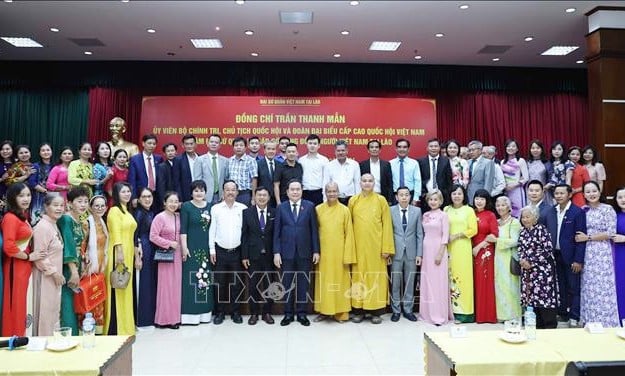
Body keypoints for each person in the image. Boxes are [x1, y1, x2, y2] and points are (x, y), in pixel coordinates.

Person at [273, 179, 320, 326]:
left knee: (302, 284)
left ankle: (301, 314)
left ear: (302, 191)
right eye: (292, 189)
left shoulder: (310, 206)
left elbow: (314, 231)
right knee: (286, 284)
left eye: (297, 189)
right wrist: (276, 252)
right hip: (286, 253)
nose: (295, 192)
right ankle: (288, 314)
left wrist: (316, 251)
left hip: (305, 253)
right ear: (287, 192)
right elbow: (277, 232)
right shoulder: (281, 208)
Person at [348, 173, 394, 324]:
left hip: (376, 247)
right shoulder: (353, 200)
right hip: (358, 247)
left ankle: (375, 311)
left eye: (370, 181)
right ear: (360, 183)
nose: (367, 183)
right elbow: (348, 226)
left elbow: (387, 224)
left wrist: (386, 248)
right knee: (358, 277)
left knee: (376, 277)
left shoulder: (381, 201)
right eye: (364, 181)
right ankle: (359, 310)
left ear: (374, 183)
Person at [575, 181, 619, 327]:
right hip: (587, 253)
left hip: (603, 252)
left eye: (594, 191)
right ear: (584, 194)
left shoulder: (607, 209)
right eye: (588, 192)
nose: (591, 194)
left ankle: (607, 321)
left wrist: (588, 237)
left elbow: (611, 233)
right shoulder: (583, 210)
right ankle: (590, 320)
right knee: (589, 287)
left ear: (600, 192)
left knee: (604, 287)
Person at [313, 182, 356, 323]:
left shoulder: (344, 210)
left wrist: (348, 255)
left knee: (340, 283)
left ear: (338, 192)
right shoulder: (318, 209)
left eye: (334, 191)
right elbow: (314, 232)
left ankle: (341, 312)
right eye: (329, 191)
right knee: (323, 282)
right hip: (324, 254)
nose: (332, 194)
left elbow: (349, 233)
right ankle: (323, 311)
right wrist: (316, 251)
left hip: (340, 253)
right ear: (325, 193)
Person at [545, 184, 587, 327]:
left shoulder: (577, 212)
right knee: (560, 286)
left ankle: (574, 316)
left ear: (569, 195)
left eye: (562, 193)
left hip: (571, 257)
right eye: (556, 193)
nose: (558, 196)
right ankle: (562, 313)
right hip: (555, 255)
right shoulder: (551, 211)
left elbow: (581, 239)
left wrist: (578, 260)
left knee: (573, 287)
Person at [208, 181, 246, 325]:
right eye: (227, 190)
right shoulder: (216, 209)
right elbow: (212, 230)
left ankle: (236, 312)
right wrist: (212, 249)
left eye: (233, 190)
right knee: (220, 283)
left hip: (237, 252)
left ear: (237, 192)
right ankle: (220, 312)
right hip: (220, 251)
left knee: (236, 283)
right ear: (223, 192)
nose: (230, 192)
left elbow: (245, 233)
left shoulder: (243, 208)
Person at [104, 182, 137, 335]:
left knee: (125, 287)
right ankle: (115, 328)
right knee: (118, 287)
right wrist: (119, 252)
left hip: (128, 253)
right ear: (117, 194)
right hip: (118, 254)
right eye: (123, 192)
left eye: (128, 191)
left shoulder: (127, 211)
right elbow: (115, 233)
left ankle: (126, 326)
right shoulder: (114, 210)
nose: (127, 194)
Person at [1, 183, 34, 336]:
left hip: (24, 266)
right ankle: (14, 337)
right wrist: (28, 256)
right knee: (16, 303)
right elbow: (9, 247)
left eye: (28, 195)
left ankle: (23, 335)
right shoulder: (10, 218)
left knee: (24, 303)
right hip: (16, 266)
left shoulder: (23, 216)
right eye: (21, 196)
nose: (26, 199)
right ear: (13, 198)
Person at [518, 205, 559, 329]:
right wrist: (522, 261)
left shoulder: (541, 229)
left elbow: (547, 249)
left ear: (535, 217)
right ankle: (536, 327)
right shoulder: (522, 232)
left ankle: (549, 326)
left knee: (545, 299)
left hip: (543, 272)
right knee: (531, 300)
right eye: (523, 217)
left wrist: (531, 261)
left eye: (527, 216)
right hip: (527, 272)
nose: (525, 219)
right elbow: (519, 248)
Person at [241, 186, 277, 325]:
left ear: (268, 197)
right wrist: (244, 256)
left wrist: (276, 253)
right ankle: (254, 313)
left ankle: (267, 312)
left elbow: (276, 235)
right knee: (253, 286)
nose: (262, 197)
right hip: (253, 255)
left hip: (269, 255)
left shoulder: (274, 212)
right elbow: (244, 235)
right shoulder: (247, 213)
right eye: (259, 195)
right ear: (254, 197)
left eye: (264, 195)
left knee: (270, 285)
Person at [180, 180, 214, 325]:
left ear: (205, 192)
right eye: (196, 190)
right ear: (191, 192)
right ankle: (190, 315)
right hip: (191, 248)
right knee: (191, 279)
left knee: (205, 279)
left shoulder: (210, 206)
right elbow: (183, 229)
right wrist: (184, 247)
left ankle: (204, 314)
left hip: (205, 248)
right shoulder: (187, 207)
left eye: (201, 190)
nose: (199, 193)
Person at [31, 194, 65, 336]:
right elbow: (39, 256)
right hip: (46, 277)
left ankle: (52, 342)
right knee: (45, 312)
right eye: (55, 205)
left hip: (53, 277)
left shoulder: (52, 225)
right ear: (46, 206)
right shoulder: (43, 227)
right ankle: (44, 342)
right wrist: (54, 273)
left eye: (61, 205)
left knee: (52, 311)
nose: (59, 208)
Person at [57, 186, 90, 335]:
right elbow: (68, 247)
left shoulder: (78, 220)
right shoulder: (66, 219)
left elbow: (79, 245)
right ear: (69, 203)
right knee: (68, 303)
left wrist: (84, 257)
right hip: (68, 267)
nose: (83, 205)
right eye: (79, 201)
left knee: (76, 302)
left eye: (85, 201)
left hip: (77, 265)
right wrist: (73, 272)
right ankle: (69, 336)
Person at [445, 184, 478, 323]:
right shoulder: (446, 209)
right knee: (450, 277)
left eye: (459, 193)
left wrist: (456, 235)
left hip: (463, 248)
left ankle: (465, 313)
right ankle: (452, 311)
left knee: (464, 278)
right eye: (454, 194)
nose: (456, 196)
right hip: (449, 248)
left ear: (464, 195)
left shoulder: (469, 210)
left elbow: (473, 230)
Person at [418, 190, 452, 325]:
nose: (433, 202)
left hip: (438, 249)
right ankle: (426, 313)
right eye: (431, 199)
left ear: (441, 201)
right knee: (427, 282)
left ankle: (439, 315)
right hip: (426, 249)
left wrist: (440, 252)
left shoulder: (443, 215)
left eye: (436, 199)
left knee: (438, 282)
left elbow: (445, 235)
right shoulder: (425, 215)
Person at [389, 186, 423, 322]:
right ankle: (396, 310)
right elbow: (388, 233)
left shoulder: (417, 211)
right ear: (396, 197)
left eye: (406, 195)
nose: (404, 197)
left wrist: (419, 254)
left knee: (409, 282)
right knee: (395, 283)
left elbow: (419, 234)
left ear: (410, 197)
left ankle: (408, 309)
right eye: (401, 195)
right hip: (395, 253)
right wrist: (388, 252)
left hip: (411, 253)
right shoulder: (390, 211)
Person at [150, 191, 182, 329]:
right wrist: (168, 243)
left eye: (176, 201)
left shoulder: (178, 216)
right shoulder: (160, 217)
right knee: (166, 287)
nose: (173, 204)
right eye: (171, 201)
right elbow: (153, 236)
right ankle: (164, 319)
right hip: (166, 255)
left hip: (178, 255)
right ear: (164, 202)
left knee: (176, 287)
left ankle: (175, 318)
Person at [493, 196, 522, 322]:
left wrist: (497, 240)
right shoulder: (496, 222)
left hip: (509, 257)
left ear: (509, 207)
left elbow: (515, 241)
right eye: (498, 205)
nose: (500, 207)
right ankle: (501, 315)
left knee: (510, 286)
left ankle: (513, 315)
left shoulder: (514, 222)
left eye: (503, 205)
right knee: (499, 286)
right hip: (498, 257)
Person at [471, 189, 498, 323]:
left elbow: (494, 235)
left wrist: (478, 247)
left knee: (484, 282)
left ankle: (486, 315)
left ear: (487, 201)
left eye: (482, 198)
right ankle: (474, 313)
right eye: (477, 198)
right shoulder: (470, 213)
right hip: (470, 250)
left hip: (485, 252)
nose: (479, 201)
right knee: (473, 282)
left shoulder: (490, 215)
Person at [133, 187, 157, 329]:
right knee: (143, 285)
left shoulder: (151, 213)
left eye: (149, 196)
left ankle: (151, 317)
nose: (147, 199)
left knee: (150, 284)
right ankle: (142, 320)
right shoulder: (139, 214)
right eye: (144, 197)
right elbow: (134, 236)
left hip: (152, 250)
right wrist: (137, 256)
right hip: (143, 251)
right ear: (139, 199)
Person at [85, 195, 108, 334]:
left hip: (101, 265)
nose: (99, 208)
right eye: (96, 206)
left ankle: (99, 332)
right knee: (90, 299)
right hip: (90, 266)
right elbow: (82, 246)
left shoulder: (102, 223)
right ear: (90, 208)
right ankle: (87, 331)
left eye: (102, 206)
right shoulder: (87, 223)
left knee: (98, 299)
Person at [193, 134, 229, 204]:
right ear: (207, 144)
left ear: (220, 145)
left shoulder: (225, 160)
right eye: (211, 142)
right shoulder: (200, 160)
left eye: (216, 142)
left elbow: (226, 179)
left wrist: (224, 194)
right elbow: (197, 180)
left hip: (220, 196)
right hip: (205, 196)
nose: (214, 144)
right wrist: (200, 195)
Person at [418, 138, 453, 208]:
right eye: (431, 146)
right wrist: (423, 193)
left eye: (436, 146)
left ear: (439, 148)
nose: (433, 148)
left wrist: (447, 194)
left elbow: (449, 180)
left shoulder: (445, 161)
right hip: (426, 196)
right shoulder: (420, 161)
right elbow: (419, 179)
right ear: (427, 148)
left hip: (441, 197)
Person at [128, 134, 163, 205]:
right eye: (149, 143)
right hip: (141, 195)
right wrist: (134, 197)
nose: (152, 146)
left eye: (154, 144)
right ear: (143, 143)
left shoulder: (159, 159)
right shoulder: (135, 159)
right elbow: (132, 179)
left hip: (157, 195)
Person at [359, 139, 393, 204]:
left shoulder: (386, 164)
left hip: (382, 197)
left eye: (376, 147)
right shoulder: (362, 165)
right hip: (366, 196)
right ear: (368, 150)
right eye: (372, 147)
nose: (374, 149)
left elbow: (390, 184)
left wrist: (389, 200)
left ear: (380, 150)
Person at [501, 139, 528, 218]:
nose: (510, 148)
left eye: (513, 146)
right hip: (506, 191)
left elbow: (526, 178)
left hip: (517, 190)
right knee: (507, 210)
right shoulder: (502, 162)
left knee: (518, 211)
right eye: (508, 146)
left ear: (517, 149)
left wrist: (514, 185)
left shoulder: (520, 161)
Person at [299, 134, 329, 206]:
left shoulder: (324, 160)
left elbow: (326, 179)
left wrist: (325, 197)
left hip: (319, 193)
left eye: (315, 144)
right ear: (306, 144)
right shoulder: (301, 160)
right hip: (305, 193)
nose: (312, 146)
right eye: (310, 143)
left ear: (319, 145)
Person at [227, 137, 258, 206]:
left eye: (241, 145)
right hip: (231, 194)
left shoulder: (251, 161)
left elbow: (254, 180)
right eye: (236, 145)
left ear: (245, 147)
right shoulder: (229, 161)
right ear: (233, 148)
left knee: (245, 215)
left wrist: (253, 197)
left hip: (245, 194)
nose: (238, 147)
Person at [389, 138, 421, 205]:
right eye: (399, 147)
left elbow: (417, 181)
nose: (402, 149)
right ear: (396, 149)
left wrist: (415, 198)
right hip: (395, 197)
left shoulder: (414, 163)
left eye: (404, 147)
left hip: (410, 196)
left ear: (408, 149)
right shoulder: (390, 164)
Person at [28, 143, 53, 225]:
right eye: (43, 150)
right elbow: (32, 183)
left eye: (48, 150)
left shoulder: (55, 166)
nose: (46, 152)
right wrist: (45, 191)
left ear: (51, 151)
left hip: (52, 198)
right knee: (37, 222)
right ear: (39, 153)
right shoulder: (35, 166)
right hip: (38, 198)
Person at [611, 186, 625, 322]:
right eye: (620, 197)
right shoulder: (614, 215)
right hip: (618, 256)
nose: (623, 200)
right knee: (620, 287)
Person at [173, 134, 200, 202]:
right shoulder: (178, 160)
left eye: (191, 144)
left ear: (196, 144)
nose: (189, 146)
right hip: (186, 196)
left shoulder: (201, 158)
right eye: (187, 144)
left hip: (200, 193)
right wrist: (179, 199)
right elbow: (176, 182)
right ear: (183, 145)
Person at [527, 139, 552, 204]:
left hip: (544, 192)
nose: (535, 150)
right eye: (533, 148)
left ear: (541, 149)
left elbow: (552, 178)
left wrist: (546, 187)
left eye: (538, 148)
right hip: (530, 193)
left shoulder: (547, 163)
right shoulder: (527, 163)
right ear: (530, 150)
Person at [256, 140, 279, 208]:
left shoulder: (280, 165)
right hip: (262, 198)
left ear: (276, 151)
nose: (271, 151)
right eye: (268, 149)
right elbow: (255, 182)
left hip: (276, 199)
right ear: (264, 150)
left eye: (273, 149)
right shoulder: (258, 164)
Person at [156, 143, 177, 211]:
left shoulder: (180, 164)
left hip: (178, 200)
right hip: (168, 200)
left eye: (172, 151)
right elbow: (161, 186)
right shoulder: (161, 167)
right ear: (164, 153)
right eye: (168, 151)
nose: (170, 153)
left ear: (176, 152)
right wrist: (164, 201)